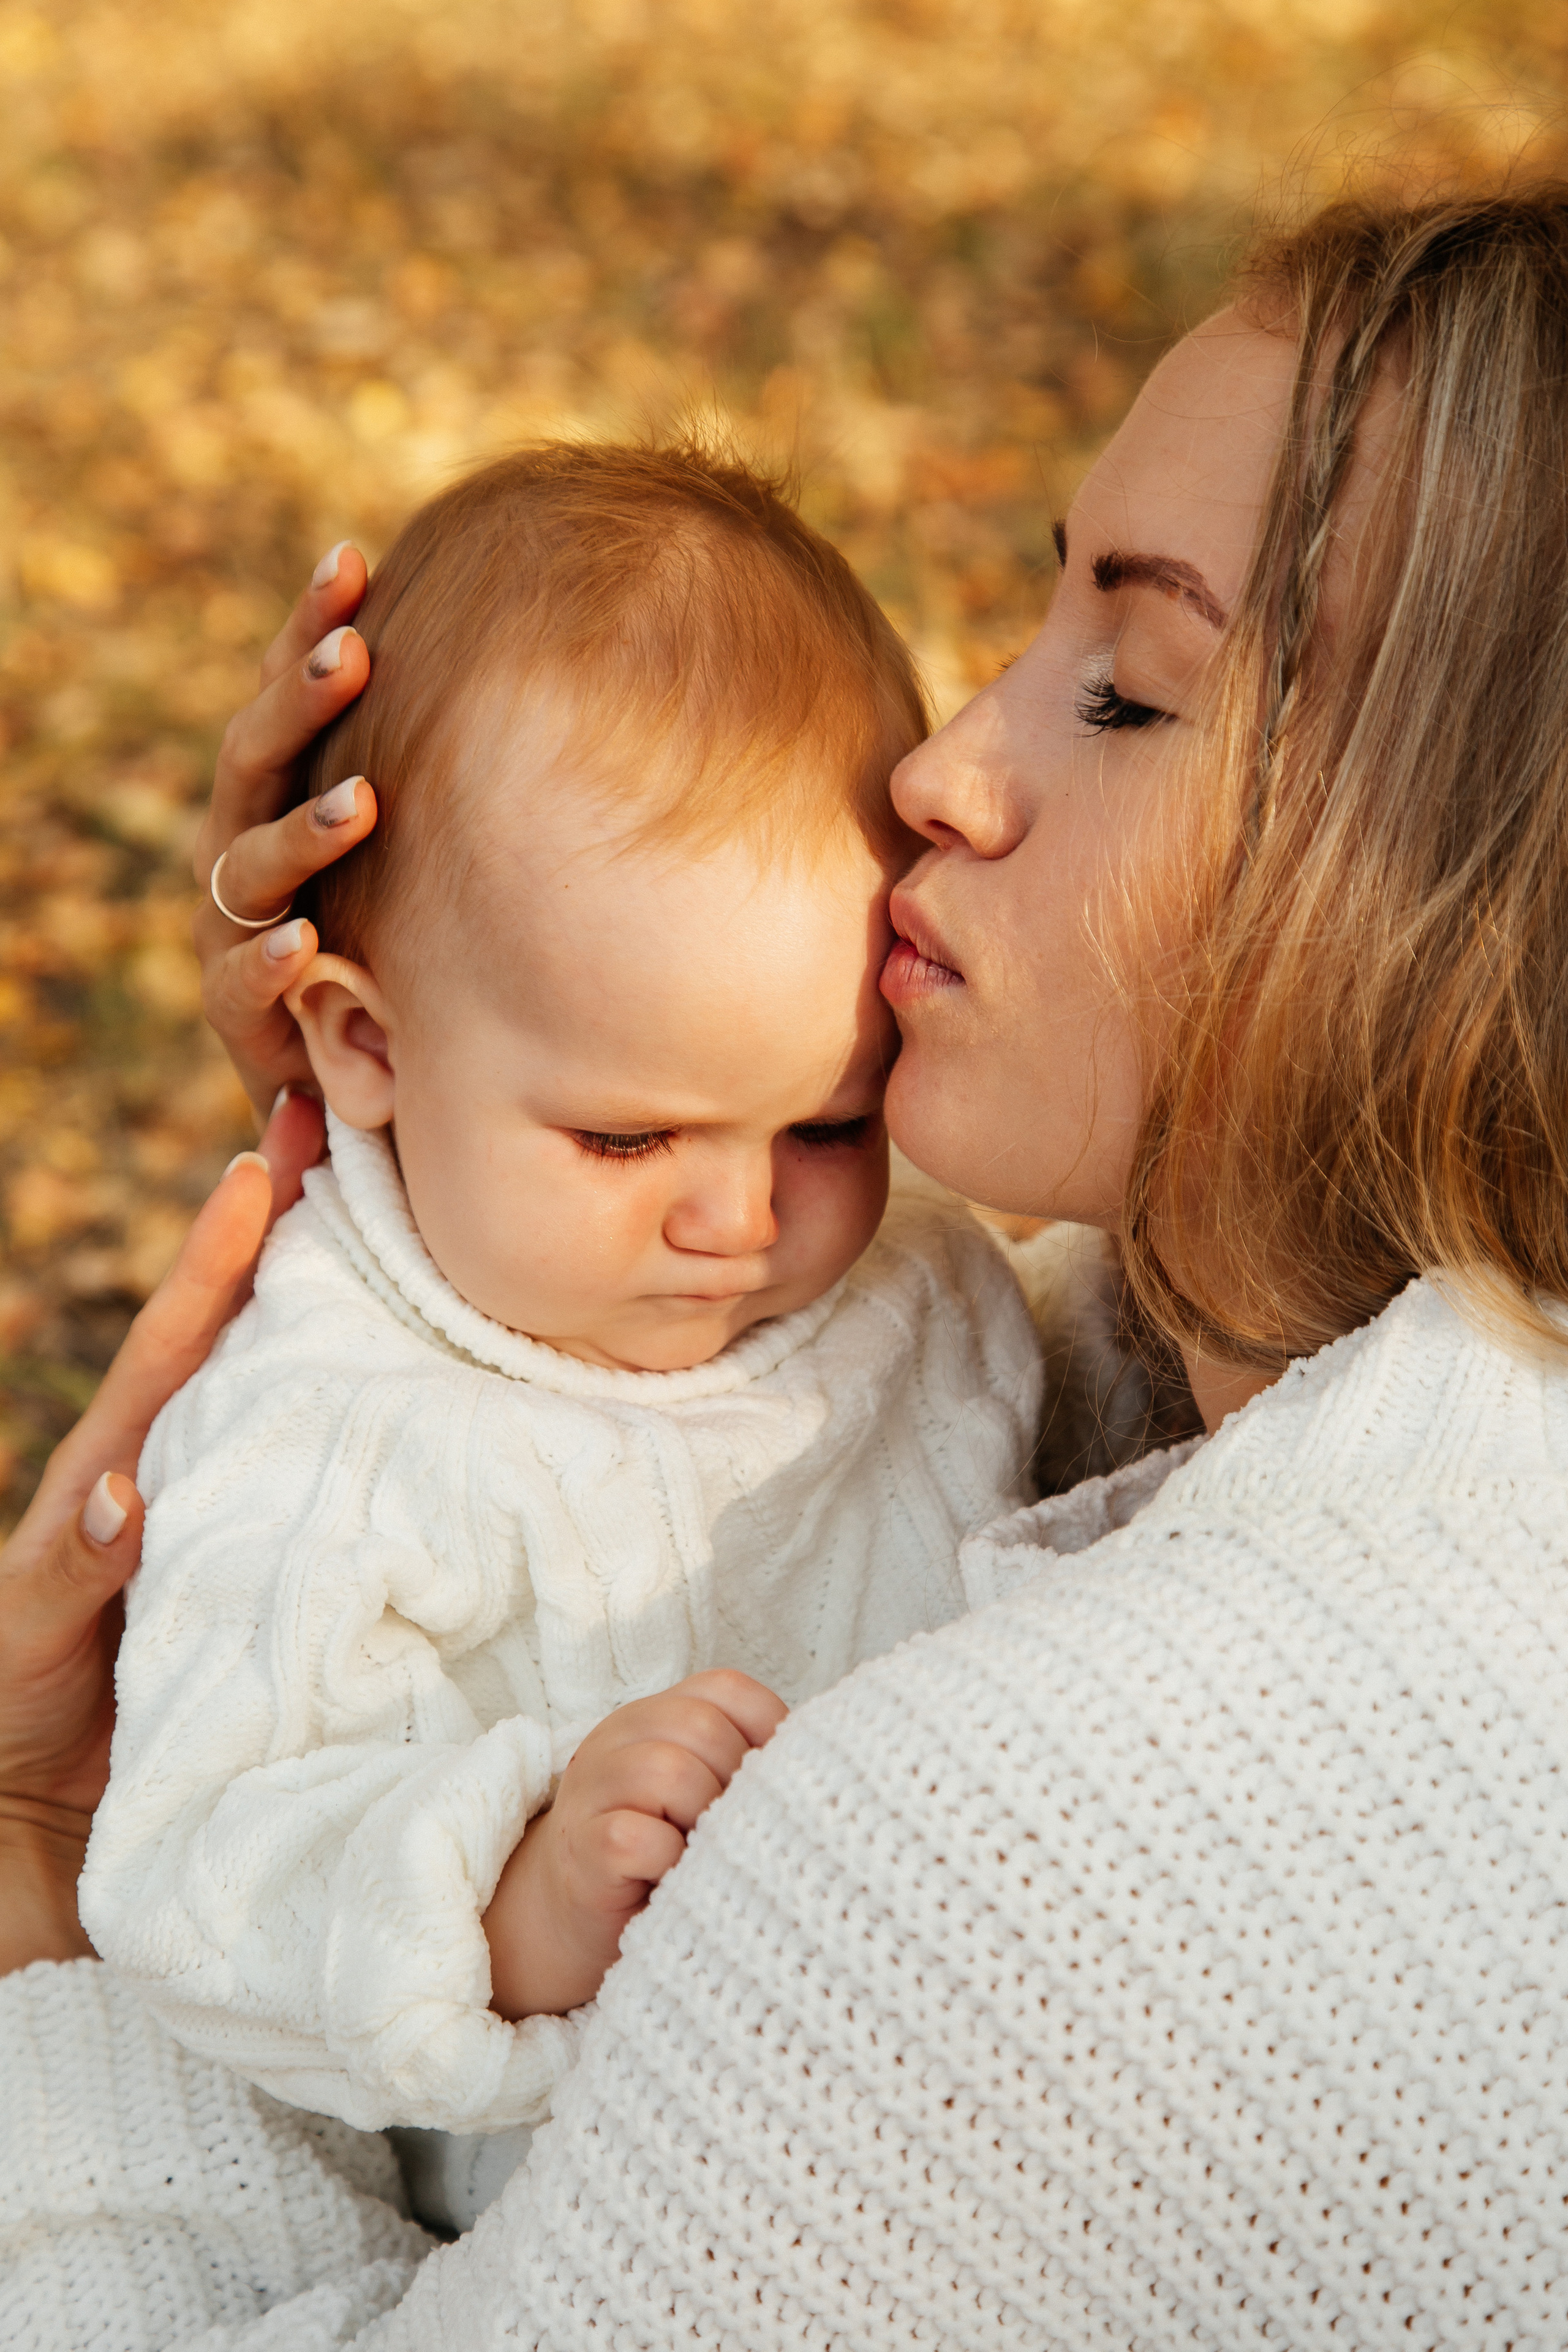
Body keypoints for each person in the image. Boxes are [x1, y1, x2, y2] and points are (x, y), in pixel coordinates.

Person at [6, 184, 1568, 2348]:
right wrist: (455, 1045)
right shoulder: (1342, 1405)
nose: (938, 770)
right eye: (1032, 634)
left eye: (1127, 694)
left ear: (1468, 883)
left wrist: (29, 1908)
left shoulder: (1029, 1862)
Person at [75, 442, 1041, 2230]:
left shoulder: (929, 1297)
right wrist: (503, 1906)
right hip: (566, 2223)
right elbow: (195, 1869)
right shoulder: (327, 1419)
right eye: (623, 1138)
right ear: (364, 1046)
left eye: (830, 1123)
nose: (742, 1221)